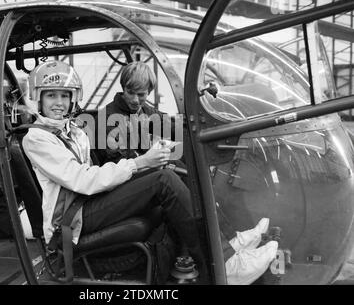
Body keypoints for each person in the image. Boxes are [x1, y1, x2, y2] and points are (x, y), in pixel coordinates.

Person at [21, 60, 206, 281]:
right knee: (163, 180)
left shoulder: (74, 131)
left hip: (87, 201)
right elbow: (82, 179)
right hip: (72, 217)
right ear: (38, 98)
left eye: (64, 96)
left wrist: (150, 162)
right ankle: (212, 261)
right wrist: (140, 163)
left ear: (72, 98)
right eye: (51, 96)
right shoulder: (37, 138)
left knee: (167, 174)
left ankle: (212, 249)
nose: (59, 103)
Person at [97, 61, 279, 285]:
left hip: (139, 176)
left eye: (141, 95)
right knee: (176, 178)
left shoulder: (142, 111)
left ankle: (231, 241)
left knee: (192, 175)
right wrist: (149, 162)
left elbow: (172, 125)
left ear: (149, 93)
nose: (135, 99)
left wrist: (206, 123)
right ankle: (228, 262)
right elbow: (117, 164)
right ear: (122, 87)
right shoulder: (108, 117)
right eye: (130, 92)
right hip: (121, 186)